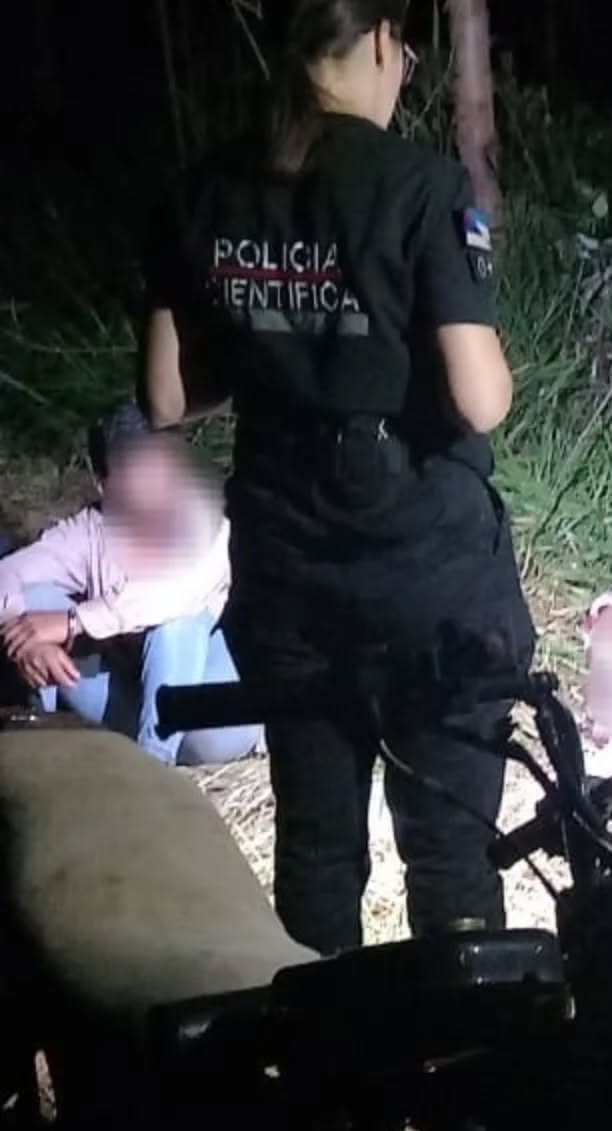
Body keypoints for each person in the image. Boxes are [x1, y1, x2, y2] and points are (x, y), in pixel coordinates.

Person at [140, 0, 534, 955]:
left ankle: (323, 1046)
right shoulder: (420, 185)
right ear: (385, 41)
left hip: (287, 569)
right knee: (450, 853)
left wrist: (286, 349)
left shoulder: (206, 189)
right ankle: (460, 1047)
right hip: (423, 573)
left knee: (316, 852)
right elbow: (480, 399)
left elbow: (165, 395)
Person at [0, 402, 261, 766]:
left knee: (177, 623)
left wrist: (75, 622)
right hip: (131, 705)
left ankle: (153, 768)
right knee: (34, 600)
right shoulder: (89, 532)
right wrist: (28, 643)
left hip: (213, 718)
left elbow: (172, 595)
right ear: (103, 484)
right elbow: (7, 573)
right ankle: (44, 740)